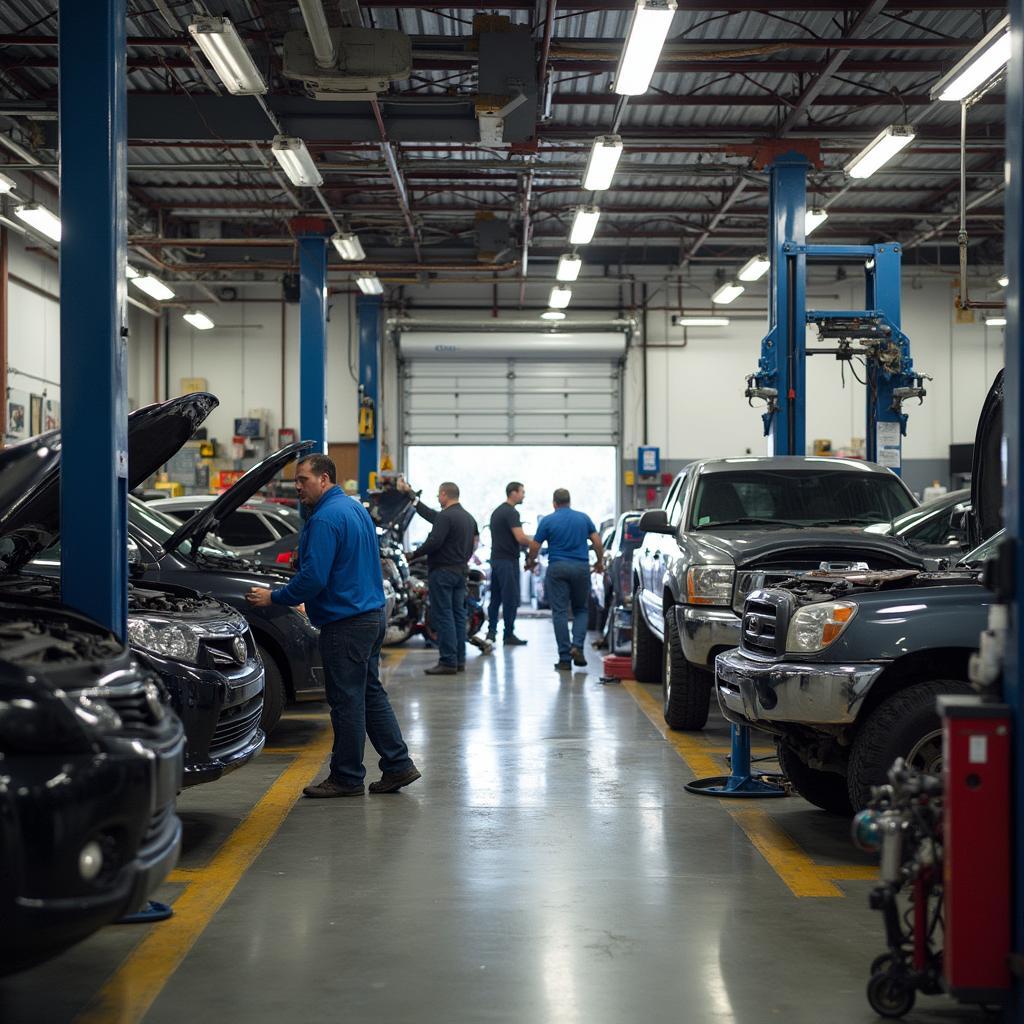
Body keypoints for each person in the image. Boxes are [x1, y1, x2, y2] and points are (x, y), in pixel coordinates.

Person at [246, 454, 419, 798]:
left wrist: (275, 597)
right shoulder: (355, 510)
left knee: (346, 702)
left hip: (346, 623)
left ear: (323, 479)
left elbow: (313, 578)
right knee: (369, 694)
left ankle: (347, 776)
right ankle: (398, 765)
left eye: (303, 480)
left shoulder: (325, 518)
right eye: (296, 481)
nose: (297, 487)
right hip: (370, 617)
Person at [398, 477, 477, 675]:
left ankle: (448, 661)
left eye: (438, 495)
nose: (438, 498)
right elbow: (473, 543)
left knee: (444, 616)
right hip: (461, 572)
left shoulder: (445, 517)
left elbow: (434, 542)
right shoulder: (468, 517)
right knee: (459, 616)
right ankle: (459, 660)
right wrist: (411, 495)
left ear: (444, 494)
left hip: (442, 572)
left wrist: (413, 555)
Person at [527, 488, 604, 671]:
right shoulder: (583, 518)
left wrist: (531, 561)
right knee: (580, 609)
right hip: (580, 568)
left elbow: (534, 546)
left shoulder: (548, 520)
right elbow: (598, 542)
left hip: (558, 568)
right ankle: (577, 647)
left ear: (554, 503)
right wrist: (599, 562)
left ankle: (564, 658)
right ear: (569, 501)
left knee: (560, 612)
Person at [486, 481, 532, 646]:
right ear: (513, 493)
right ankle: (508, 634)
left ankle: (491, 633)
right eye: (522, 492)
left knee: (496, 597)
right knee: (510, 598)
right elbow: (520, 538)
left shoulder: (497, 512)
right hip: (507, 561)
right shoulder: (511, 513)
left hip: (497, 560)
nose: (523, 495)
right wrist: (534, 543)